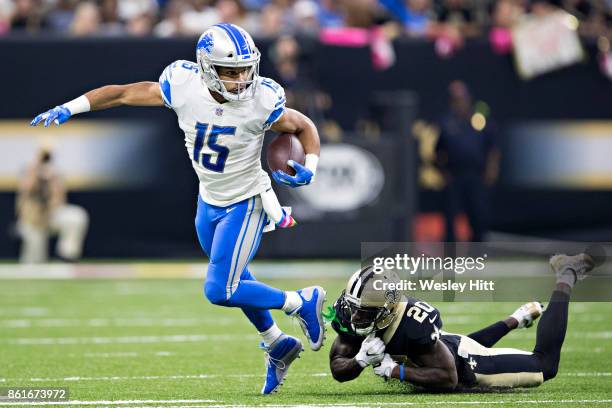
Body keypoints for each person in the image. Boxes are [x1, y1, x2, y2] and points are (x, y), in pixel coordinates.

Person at [30, 23, 326, 395]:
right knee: (240, 280)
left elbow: (304, 126)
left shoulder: (261, 101)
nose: (240, 80)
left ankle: (302, 300)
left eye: (246, 70)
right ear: (205, 68)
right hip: (209, 201)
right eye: (230, 72)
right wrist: (70, 108)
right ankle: (276, 341)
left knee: (221, 289)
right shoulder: (183, 86)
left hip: (246, 200)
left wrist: (310, 169)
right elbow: (122, 94)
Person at [328, 253, 595, 390]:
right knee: (453, 345)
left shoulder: (412, 322)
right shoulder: (352, 311)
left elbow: (448, 376)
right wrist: (359, 361)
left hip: (466, 367)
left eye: (364, 312)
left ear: (386, 309)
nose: (355, 317)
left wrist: (395, 371)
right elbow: (338, 368)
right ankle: (517, 318)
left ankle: (567, 273)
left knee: (545, 365)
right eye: (354, 308)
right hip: (447, 348)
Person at [435, 80, 499, 242]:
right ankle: (450, 256)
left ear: (468, 99)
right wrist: (444, 173)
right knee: (450, 217)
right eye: (455, 100)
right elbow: (438, 152)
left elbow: (492, 147)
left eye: (462, 99)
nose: (459, 103)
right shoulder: (446, 123)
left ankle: (479, 251)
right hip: (455, 175)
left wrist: (491, 170)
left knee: (478, 214)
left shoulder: (480, 120)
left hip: (476, 175)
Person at [16, 149, 89, 264]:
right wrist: (36, 171)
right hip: (31, 222)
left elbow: (59, 200)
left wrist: (51, 180)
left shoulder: (54, 175)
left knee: (76, 216)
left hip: (50, 217)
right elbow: (27, 190)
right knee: (33, 262)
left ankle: (67, 255)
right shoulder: (29, 172)